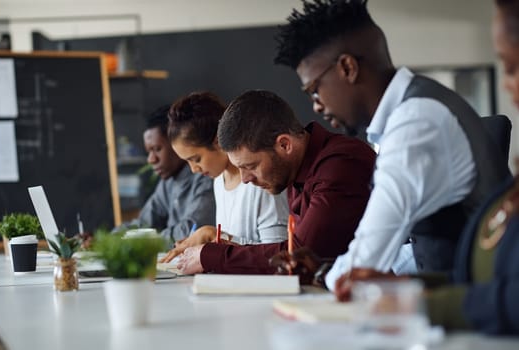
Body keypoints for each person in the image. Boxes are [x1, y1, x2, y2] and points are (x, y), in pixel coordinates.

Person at [271, 0, 511, 287]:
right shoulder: (414, 109)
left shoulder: (416, 124)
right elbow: (413, 249)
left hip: (479, 314)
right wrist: (326, 270)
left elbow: (368, 257)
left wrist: (330, 276)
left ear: (347, 68)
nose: (317, 106)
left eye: (314, 90)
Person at [332, 0, 519, 334]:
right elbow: (483, 278)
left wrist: (418, 304)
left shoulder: (418, 121)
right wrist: (401, 286)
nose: (506, 85)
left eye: (511, 68)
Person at [177, 89, 376, 275]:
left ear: (284, 144)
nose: (245, 179)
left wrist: (212, 256)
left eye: (251, 166)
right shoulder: (293, 173)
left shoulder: (340, 164)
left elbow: (300, 255)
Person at [160, 92, 289, 263]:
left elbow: (279, 256)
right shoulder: (219, 181)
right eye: (187, 162)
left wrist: (214, 236)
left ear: (218, 142)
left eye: (196, 159)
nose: (193, 169)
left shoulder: (261, 181)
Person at [123, 105, 216, 243]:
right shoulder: (168, 182)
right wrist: (110, 239)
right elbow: (144, 222)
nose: (151, 159)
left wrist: (145, 241)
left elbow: (191, 230)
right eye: (149, 151)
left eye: (157, 149)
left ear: (177, 143)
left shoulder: (206, 176)